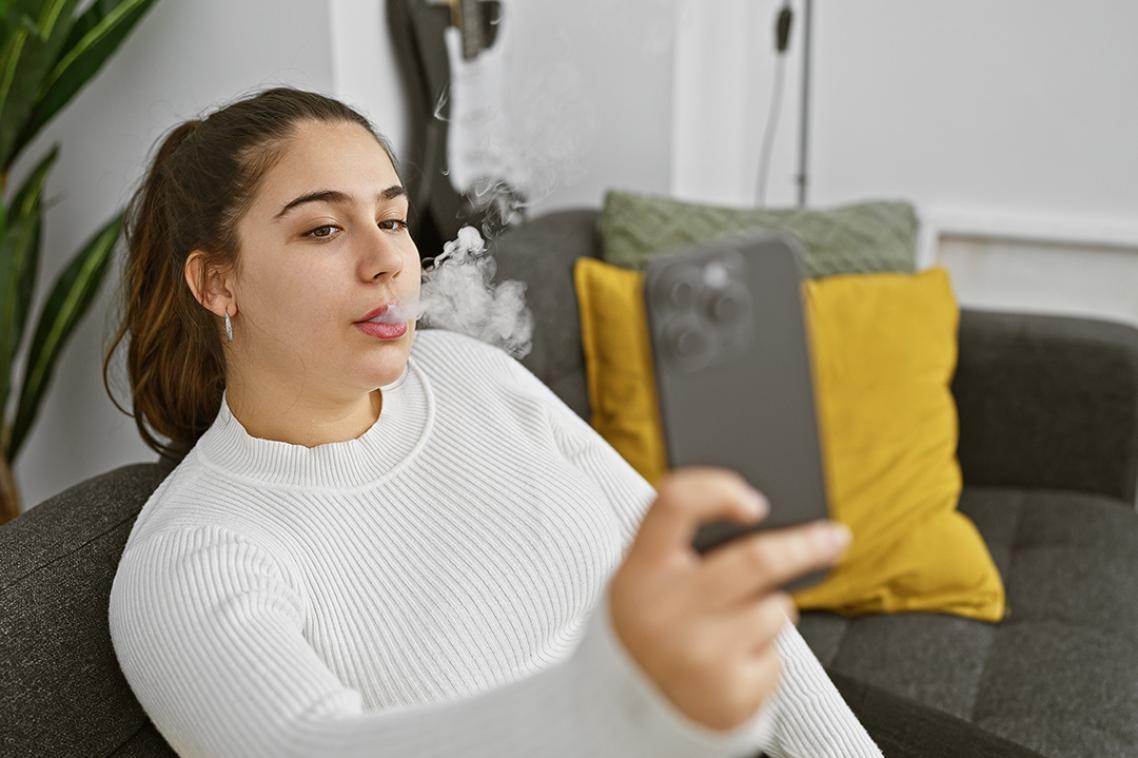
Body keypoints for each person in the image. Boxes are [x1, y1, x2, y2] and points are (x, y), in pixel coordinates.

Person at [104, 85, 881, 757]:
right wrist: (629, 700)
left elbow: (722, 593)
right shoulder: (195, 555)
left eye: (395, 219)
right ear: (217, 283)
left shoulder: (470, 375)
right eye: (324, 229)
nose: (387, 262)